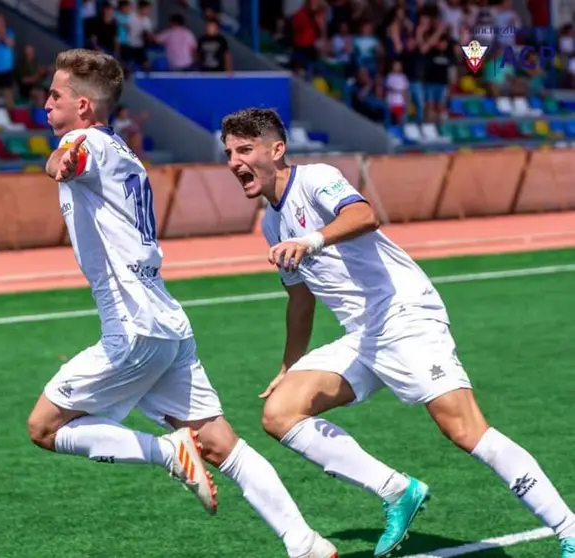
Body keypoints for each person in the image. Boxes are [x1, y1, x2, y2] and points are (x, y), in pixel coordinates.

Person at [218, 106, 575, 558]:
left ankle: (568, 527)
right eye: (229, 152)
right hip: (363, 334)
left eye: (245, 149)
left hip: (405, 315)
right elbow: (301, 300)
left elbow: (364, 215)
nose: (234, 162)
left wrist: (311, 240)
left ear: (277, 149)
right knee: (281, 412)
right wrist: (288, 365)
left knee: (465, 430)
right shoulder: (271, 222)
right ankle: (396, 490)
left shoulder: (314, 179)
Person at [25, 49, 338, 558]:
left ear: (83, 106)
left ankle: (167, 452)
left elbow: (72, 158)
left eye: (55, 95)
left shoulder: (83, 141)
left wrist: (59, 157)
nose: (45, 104)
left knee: (44, 427)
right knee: (222, 446)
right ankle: (304, 542)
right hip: (166, 324)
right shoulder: (124, 153)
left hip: (131, 328)